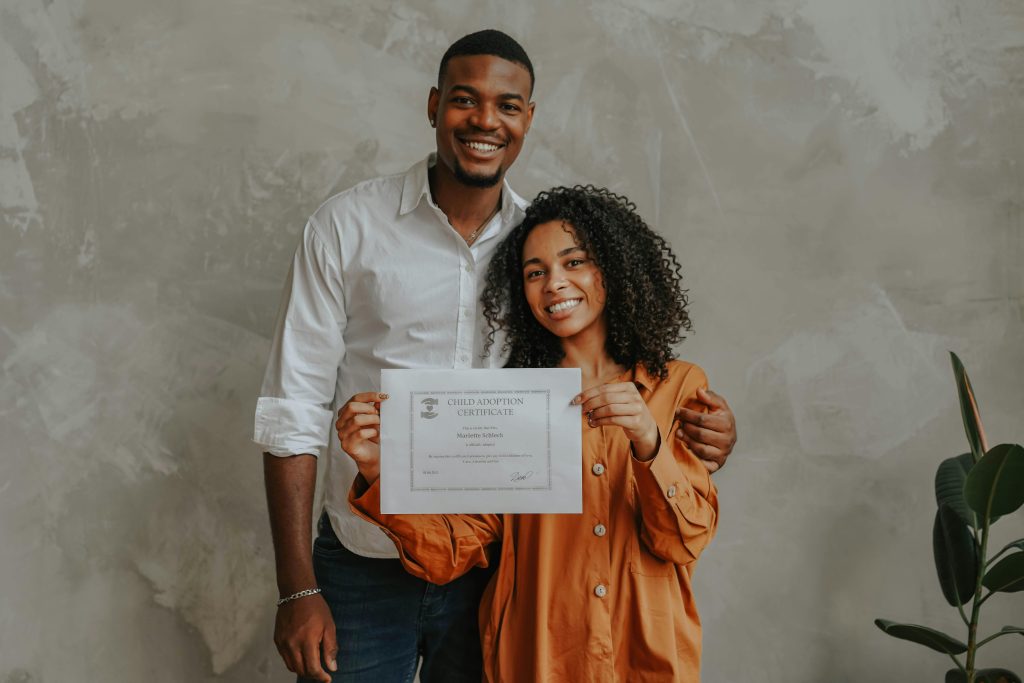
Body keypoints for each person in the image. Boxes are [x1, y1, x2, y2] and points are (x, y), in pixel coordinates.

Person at [255, 30, 737, 683]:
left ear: (529, 119)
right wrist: (298, 587)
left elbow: (676, 490)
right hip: (370, 559)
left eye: (508, 105)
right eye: (464, 100)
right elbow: (292, 406)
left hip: (494, 569)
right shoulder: (347, 228)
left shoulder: (536, 235)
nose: (486, 120)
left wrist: (688, 433)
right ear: (433, 106)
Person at [339, 185, 719, 682]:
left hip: (647, 657)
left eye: (574, 262)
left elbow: (683, 541)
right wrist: (377, 469)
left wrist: (649, 442)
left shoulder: (681, 385)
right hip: (539, 658)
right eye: (535, 272)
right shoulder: (508, 404)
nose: (554, 283)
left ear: (614, 268)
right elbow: (457, 549)